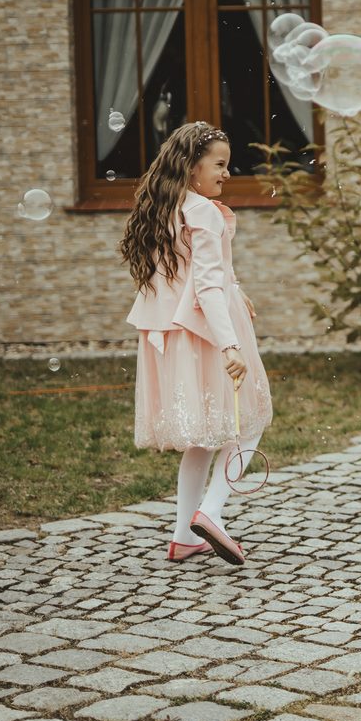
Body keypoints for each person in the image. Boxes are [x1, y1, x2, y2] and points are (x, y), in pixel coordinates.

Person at [120, 121, 273, 566]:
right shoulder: (204, 211)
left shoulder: (166, 208)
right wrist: (230, 345)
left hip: (172, 332)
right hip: (209, 329)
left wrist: (236, 285)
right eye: (219, 165)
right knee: (252, 417)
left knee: (203, 437)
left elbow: (195, 272)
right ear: (191, 167)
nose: (227, 173)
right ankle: (212, 511)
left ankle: (183, 536)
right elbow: (206, 286)